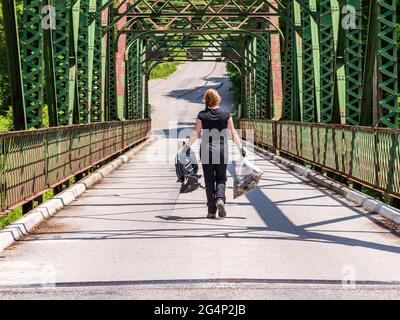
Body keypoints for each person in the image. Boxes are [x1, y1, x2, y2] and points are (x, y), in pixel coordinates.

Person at [183, 89, 246, 219]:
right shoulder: (226, 114)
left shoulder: (202, 115)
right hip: (222, 151)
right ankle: (220, 199)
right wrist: (241, 148)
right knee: (221, 178)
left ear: (206, 100)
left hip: (206, 150)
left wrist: (186, 147)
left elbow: (196, 133)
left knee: (209, 180)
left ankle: (211, 211)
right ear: (218, 99)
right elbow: (233, 133)